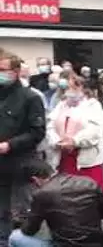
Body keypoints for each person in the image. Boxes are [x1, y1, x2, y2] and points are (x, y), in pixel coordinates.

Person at [7, 159, 103, 247]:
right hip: (95, 244)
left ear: (35, 180)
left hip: (64, 244)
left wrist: (30, 215)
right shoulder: (88, 182)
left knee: (15, 237)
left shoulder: (42, 194)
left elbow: (29, 231)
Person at [0, 49, 46, 246]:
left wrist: (10, 144)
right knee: (2, 211)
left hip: (20, 163)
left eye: (3, 69)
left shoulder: (30, 97)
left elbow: (37, 132)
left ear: (16, 71)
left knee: (22, 213)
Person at [44, 71, 103, 189]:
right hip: (62, 159)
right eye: (66, 87)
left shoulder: (93, 105)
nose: (70, 90)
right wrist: (57, 141)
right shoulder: (61, 105)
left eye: (74, 87)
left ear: (82, 87)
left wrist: (74, 141)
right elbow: (50, 126)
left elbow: (94, 130)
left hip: (85, 162)